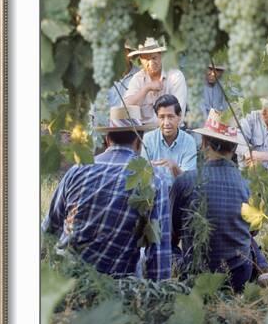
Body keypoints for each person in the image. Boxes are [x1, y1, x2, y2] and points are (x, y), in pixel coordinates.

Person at [42, 106, 172, 281]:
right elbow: (158, 251)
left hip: (67, 279)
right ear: (139, 141)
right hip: (115, 285)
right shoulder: (154, 178)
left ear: (107, 140)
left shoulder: (77, 170)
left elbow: (50, 230)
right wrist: (160, 295)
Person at [171, 109, 268, 292]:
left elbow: (172, 233)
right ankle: (263, 270)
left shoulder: (184, 181)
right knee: (244, 236)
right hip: (238, 277)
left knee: (164, 245)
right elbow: (253, 231)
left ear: (204, 143)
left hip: (196, 276)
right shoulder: (248, 184)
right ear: (235, 148)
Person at [124, 38, 187, 125]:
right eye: (146, 59)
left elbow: (179, 114)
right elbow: (126, 109)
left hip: (171, 131)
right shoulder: (137, 78)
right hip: (143, 133)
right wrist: (146, 88)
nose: (151, 63)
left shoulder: (175, 76)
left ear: (161, 56)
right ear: (140, 59)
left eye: (154, 58)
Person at [141, 94, 197, 187]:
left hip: (180, 196)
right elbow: (143, 177)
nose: (166, 123)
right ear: (157, 118)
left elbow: (189, 183)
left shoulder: (189, 141)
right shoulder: (148, 139)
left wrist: (175, 168)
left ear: (179, 116)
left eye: (170, 117)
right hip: (154, 196)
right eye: (162, 117)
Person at [238, 98, 268, 178]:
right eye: (262, 107)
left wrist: (266, 156)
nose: (263, 112)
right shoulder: (252, 117)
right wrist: (248, 153)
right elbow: (238, 136)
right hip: (250, 176)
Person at [107, 40, 139, 108]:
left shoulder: (140, 75)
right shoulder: (105, 76)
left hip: (133, 118)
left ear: (130, 54)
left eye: (122, 52)